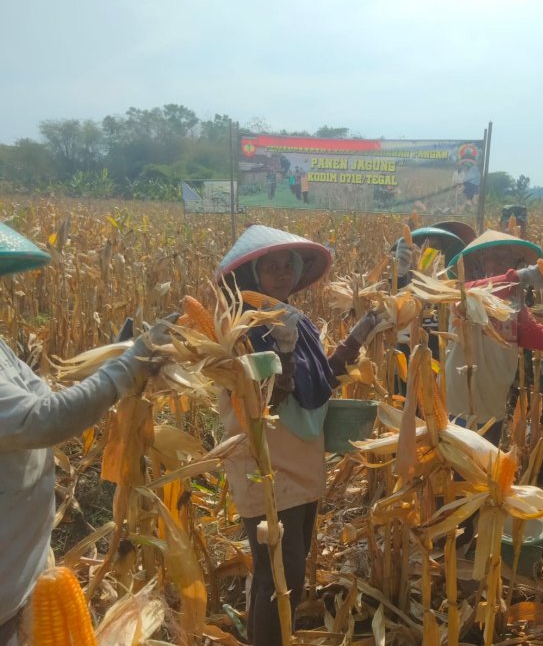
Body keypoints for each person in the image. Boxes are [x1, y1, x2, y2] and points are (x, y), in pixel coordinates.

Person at [0, 223, 175, 646]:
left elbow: (47, 398)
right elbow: (41, 420)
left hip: (18, 569)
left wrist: (109, 367)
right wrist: (124, 369)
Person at [215, 225, 381, 645]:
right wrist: (283, 356)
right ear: (252, 273)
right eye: (270, 266)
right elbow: (263, 401)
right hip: (266, 467)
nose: (281, 273)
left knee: (285, 571)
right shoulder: (242, 327)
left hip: (301, 464)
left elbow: (321, 382)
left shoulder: (295, 321)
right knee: (279, 579)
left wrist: (359, 335)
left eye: (286, 265)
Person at [444, 230, 543, 446]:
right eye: (494, 256)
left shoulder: (515, 304)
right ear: (479, 263)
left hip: (495, 404)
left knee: (486, 464)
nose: (501, 261)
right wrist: (520, 277)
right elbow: (470, 294)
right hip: (460, 404)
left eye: (507, 257)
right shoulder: (462, 294)